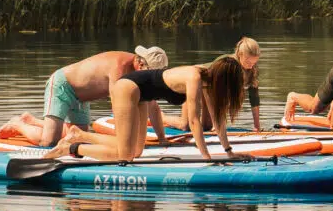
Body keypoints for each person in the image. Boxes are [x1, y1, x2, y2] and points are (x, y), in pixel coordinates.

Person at [61, 54, 249, 162]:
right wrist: (207, 158)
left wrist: (229, 151)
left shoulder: (209, 83)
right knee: (125, 157)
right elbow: (194, 121)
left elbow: (218, 120)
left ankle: (80, 135)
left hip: (144, 95)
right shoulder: (195, 77)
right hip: (128, 87)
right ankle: (73, 148)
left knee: (136, 152)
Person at [5, 46, 167, 147]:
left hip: (82, 98)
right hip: (63, 86)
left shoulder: (140, 75)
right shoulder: (120, 67)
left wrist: (162, 139)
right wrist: (122, 143)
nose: (151, 78)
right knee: (48, 142)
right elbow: (118, 107)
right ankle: (18, 124)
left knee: (77, 138)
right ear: (141, 64)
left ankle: (31, 120)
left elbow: (153, 106)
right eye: (151, 73)